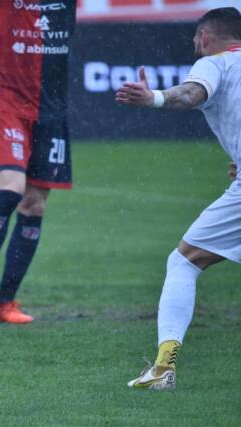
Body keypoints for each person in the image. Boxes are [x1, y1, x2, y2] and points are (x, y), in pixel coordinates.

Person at [116, 7, 241, 390]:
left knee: (184, 262)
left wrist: (153, 98)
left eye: (195, 38)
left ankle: (163, 367)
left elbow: (189, 94)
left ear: (204, 36)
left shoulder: (214, 63)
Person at [0, 0, 76, 324]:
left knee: (35, 205)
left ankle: (6, 303)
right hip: (8, 105)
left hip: (51, 112)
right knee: (10, 192)